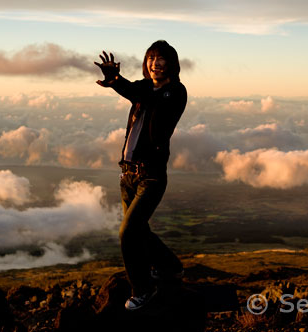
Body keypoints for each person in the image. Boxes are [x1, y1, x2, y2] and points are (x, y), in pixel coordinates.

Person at [95, 40, 187, 310]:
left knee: (128, 233)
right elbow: (136, 91)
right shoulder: (144, 88)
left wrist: (117, 81)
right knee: (139, 230)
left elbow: (145, 97)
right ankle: (170, 266)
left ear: (171, 63)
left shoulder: (175, 92)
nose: (155, 63)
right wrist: (116, 80)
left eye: (162, 59)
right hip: (128, 174)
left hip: (151, 176)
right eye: (151, 58)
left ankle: (142, 289)